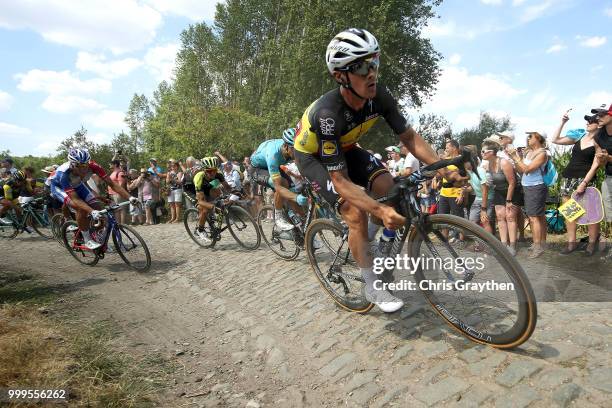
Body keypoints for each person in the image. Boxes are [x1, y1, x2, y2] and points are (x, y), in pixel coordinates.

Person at [293, 28, 458, 313]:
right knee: (355, 212)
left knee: (393, 191)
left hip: (347, 148)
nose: (372, 72)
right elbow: (340, 179)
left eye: (375, 62)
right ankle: (371, 284)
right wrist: (378, 211)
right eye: (361, 66)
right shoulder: (328, 115)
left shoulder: (379, 95)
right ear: (340, 76)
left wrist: (443, 168)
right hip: (313, 158)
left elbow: (409, 138)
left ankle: (375, 244)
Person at [50, 149, 138, 249]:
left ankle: (93, 231)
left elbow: (112, 184)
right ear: (72, 164)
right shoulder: (63, 174)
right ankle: (87, 239)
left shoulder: (94, 166)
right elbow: (76, 199)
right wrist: (91, 211)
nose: (84, 168)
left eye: (86, 165)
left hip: (77, 184)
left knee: (99, 207)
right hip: (59, 187)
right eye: (80, 166)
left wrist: (130, 197)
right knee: (81, 208)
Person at [551, 111, 601, 255]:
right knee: (570, 213)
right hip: (568, 177)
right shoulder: (580, 136)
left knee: (591, 213)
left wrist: (585, 182)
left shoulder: (599, 141)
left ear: (598, 125)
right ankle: (571, 243)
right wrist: (563, 122)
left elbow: (595, 165)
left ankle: (591, 245)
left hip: (585, 179)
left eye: (590, 121)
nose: (587, 123)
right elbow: (555, 139)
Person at [250, 128, 306, 231]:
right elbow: (279, 187)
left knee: (293, 192)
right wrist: (296, 197)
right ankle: (278, 217)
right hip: (258, 169)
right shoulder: (273, 154)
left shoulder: (291, 150)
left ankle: (303, 230)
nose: (297, 151)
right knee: (283, 185)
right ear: (285, 146)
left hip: (275, 165)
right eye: (294, 149)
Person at [507, 131, 549, 258]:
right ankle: (541, 243)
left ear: (539, 138)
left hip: (536, 186)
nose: (528, 137)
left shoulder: (542, 153)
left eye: (531, 135)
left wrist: (516, 157)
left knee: (533, 217)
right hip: (528, 186)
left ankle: (537, 247)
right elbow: (522, 170)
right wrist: (516, 161)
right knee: (539, 216)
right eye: (528, 135)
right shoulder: (529, 152)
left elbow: (528, 170)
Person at [480, 140, 521, 256]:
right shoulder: (488, 164)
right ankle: (503, 245)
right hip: (499, 190)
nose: (481, 153)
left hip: (512, 191)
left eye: (483, 151)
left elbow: (512, 183)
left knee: (510, 217)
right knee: (500, 216)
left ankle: (512, 246)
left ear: (491, 152)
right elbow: (489, 184)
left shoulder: (504, 163)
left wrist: (508, 201)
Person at [193, 157, 232, 243]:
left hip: (208, 189)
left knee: (219, 198)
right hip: (195, 192)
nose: (212, 173)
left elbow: (227, 187)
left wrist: (237, 193)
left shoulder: (218, 174)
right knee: (205, 209)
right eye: (209, 171)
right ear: (204, 170)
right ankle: (200, 230)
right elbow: (200, 201)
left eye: (214, 170)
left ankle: (212, 223)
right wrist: (213, 207)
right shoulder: (199, 177)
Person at [592, 103, 612, 259]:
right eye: (597, 114)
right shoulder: (598, 136)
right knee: (610, 214)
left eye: (601, 114)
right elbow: (601, 160)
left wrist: (608, 157)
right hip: (609, 177)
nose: (598, 117)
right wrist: (602, 158)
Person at [108, 160, 128, 224]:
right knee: (116, 210)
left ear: (115, 165)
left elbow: (121, 185)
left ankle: (122, 225)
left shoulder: (120, 173)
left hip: (118, 194)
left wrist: (119, 193)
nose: (110, 165)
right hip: (112, 195)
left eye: (111, 164)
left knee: (121, 209)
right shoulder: (113, 172)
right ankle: (117, 224)